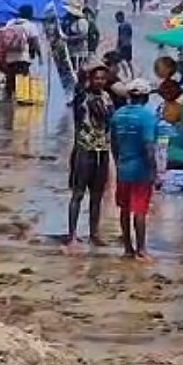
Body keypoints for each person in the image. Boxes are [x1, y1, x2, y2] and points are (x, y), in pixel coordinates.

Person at [65, 62, 115, 247]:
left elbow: (110, 122)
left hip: (102, 150)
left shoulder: (108, 97)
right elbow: (79, 82)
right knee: (78, 193)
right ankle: (72, 235)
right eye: (96, 78)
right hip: (84, 149)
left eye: (103, 78)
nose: (100, 81)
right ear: (90, 79)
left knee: (97, 195)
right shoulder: (82, 96)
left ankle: (94, 233)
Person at [110, 79, 159, 258]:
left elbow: (113, 144)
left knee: (124, 209)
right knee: (139, 210)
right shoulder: (147, 117)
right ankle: (141, 249)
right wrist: (154, 171)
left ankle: (128, 248)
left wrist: (118, 163)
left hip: (123, 169)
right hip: (141, 171)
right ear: (146, 97)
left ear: (129, 96)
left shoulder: (117, 115)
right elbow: (149, 147)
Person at [0, 5, 41, 100]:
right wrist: (40, 55)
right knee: (23, 81)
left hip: (9, 57)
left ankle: (7, 103)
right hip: (23, 58)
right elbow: (35, 42)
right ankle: (21, 102)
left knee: (10, 80)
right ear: (30, 14)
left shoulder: (10, 23)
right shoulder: (30, 25)